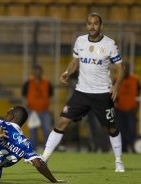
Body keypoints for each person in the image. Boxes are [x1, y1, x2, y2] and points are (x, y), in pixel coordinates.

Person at [41, 13, 125, 172]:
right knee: (61, 122)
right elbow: (74, 62)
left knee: (111, 128)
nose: (92, 26)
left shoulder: (110, 44)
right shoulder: (80, 41)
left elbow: (121, 68)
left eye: (95, 24)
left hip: (102, 93)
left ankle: (119, 161)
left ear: (101, 26)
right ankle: (44, 158)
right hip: (81, 92)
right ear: (86, 25)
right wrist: (67, 72)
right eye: (89, 23)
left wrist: (117, 85)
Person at [22, 64, 53, 150]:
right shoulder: (28, 83)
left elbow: (50, 94)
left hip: (44, 110)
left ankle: (47, 149)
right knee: (33, 131)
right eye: (36, 71)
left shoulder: (47, 82)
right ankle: (33, 150)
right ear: (33, 72)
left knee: (47, 129)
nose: (37, 73)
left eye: (39, 71)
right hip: (32, 111)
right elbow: (24, 94)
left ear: (41, 72)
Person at [115, 62, 140, 153]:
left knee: (131, 130)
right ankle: (123, 149)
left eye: (126, 68)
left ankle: (134, 148)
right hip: (119, 109)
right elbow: (113, 94)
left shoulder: (135, 79)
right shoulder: (116, 79)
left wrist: (136, 108)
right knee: (120, 130)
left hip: (131, 110)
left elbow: (138, 95)